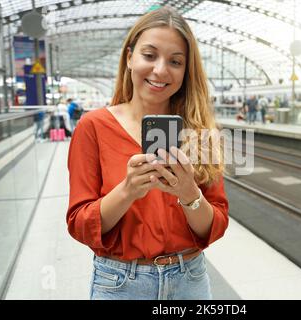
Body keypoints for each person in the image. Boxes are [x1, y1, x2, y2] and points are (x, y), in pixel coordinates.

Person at [66, 7, 229, 300]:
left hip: (190, 280)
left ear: (185, 71)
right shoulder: (93, 126)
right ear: (129, 57)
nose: (161, 70)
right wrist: (127, 191)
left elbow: (214, 227)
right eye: (149, 55)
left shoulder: (201, 131)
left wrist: (190, 193)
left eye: (175, 61)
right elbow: (79, 223)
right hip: (120, 283)